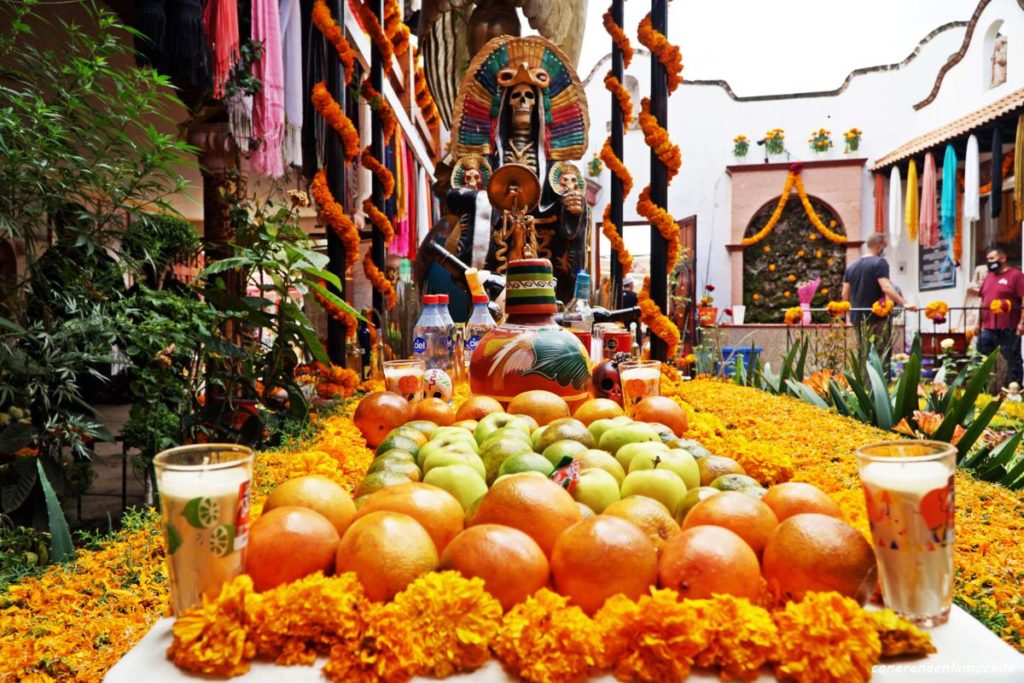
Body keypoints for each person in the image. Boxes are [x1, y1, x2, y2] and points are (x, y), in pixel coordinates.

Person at [841, 233, 915, 356]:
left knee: (862, 354)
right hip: (878, 317)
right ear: (879, 247)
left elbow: (844, 295)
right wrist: (905, 303)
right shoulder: (880, 263)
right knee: (882, 354)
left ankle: (862, 376)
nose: (884, 249)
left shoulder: (851, 267)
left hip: (858, 318)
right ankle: (882, 376)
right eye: (884, 246)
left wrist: (851, 314)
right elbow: (886, 287)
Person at [970, 245, 1024, 388]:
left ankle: (1014, 389)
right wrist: (977, 323)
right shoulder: (988, 278)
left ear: (1003, 258)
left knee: (1012, 358)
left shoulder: (1015, 275)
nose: (989, 261)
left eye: (992, 258)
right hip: (988, 327)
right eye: (987, 259)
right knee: (982, 357)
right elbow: (983, 302)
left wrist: (1022, 322)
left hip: (1009, 326)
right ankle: (984, 388)